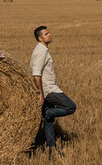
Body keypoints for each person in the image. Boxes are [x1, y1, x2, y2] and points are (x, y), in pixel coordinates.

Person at [30, 25, 75, 154]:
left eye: (48, 32)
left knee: (48, 121)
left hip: (47, 88)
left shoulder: (42, 50)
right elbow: (36, 74)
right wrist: (40, 94)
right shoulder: (41, 52)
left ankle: (52, 148)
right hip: (48, 90)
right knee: (70, 107)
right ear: (40, 38)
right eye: (46, 34)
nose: (49, 34)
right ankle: (48, 113)